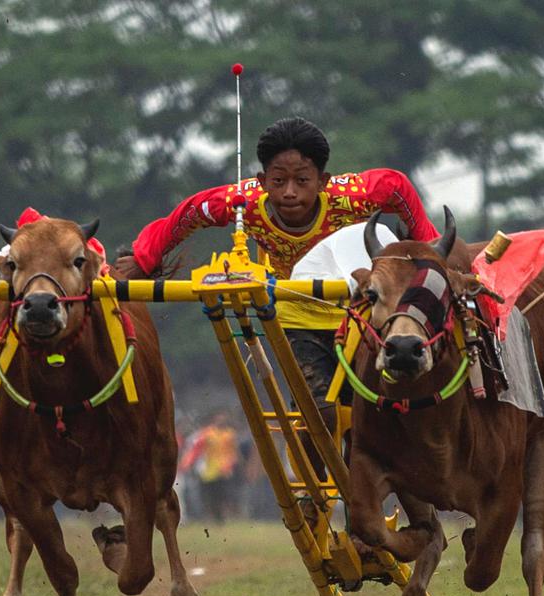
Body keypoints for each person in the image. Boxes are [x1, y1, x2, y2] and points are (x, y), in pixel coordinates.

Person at [116, 117, 441, 479]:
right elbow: (190, 212)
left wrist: (428, 249)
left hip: (361, 313)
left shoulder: (354, 195)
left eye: (302, 181)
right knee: (321, 411)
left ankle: (386, 482)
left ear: (323, 181)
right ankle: (314, 490)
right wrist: (146, 258)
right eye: (278, 181)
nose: (289, 193)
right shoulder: (244, 203)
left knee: (378, 410)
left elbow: (397, 185)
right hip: (298, 315)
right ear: (261, 182)